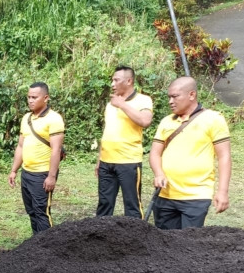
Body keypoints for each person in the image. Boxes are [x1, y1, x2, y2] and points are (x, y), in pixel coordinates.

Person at [149, 76, 231, 229]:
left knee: (188, 246)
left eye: (175, 96)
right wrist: (159, 173)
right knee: (163, 245)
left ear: (191, 95)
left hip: (196, 197)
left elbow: (224, 156)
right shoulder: (166, 121)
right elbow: (155, 153)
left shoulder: (213, 119)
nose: (170, 101)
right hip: (165, 195)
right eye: (169, 97)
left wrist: (222, 191)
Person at [95, 66, 154, 218]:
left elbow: (145, 120)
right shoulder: (110, 104)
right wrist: (99, 160)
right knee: (104, 204)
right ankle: (100, 238)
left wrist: (122, 104)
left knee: (132, 204)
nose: (112, 84)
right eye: (112, 80)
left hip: (129, 161)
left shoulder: (143, 100)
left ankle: (136, 239)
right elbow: (107, 132)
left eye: (116, 80)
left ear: (129, 81)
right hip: (106, 162)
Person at [8, 83, 64, 235]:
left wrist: (51, 177)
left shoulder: (54, 119)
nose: (30, 100)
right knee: (32, 211)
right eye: (29, 97)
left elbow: (56, 150)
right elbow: (20, 146)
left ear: (46, 98)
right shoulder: (26, 118)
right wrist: (14, 170)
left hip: (42, 174)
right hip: (26, 173)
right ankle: (36, 246)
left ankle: (48, 250)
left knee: (41, 212)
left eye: (34, 97)